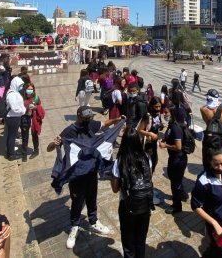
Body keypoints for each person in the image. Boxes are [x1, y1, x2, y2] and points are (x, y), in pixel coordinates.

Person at [47, 107, 123, 249]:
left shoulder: (91, 125)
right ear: (78, 117)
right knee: (77, 200)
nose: (88, 121)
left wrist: (118, 120)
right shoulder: (69, 130)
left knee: (92, 197)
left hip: (91, 171)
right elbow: (49, 148)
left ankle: (93, 221)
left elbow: (105, 123)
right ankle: (74, 226)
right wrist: (55, 143)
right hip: (76, 174)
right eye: (86, 118)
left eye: (90, 118)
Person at [111, 127, 153, 258]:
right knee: (140, 241)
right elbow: (149, 178)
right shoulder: (146, 157)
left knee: (128, 243)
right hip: (145, 204)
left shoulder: (120, 161)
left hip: (127, 206)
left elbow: (115, 189)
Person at [191, 149, 222, 258]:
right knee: (219, 250)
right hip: (215, 226)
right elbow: (195, 205)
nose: (220, 168)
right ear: (210, 163)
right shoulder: (203, 181)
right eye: (216, 164)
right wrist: (215, 224)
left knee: (215, 249)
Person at [160, 105, 189, 214]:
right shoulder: (171, 125)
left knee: (175, 183)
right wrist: (164, 139)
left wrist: (165, 145)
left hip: (178, 159)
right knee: (175, 179)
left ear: (172, 114)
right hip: (174, 158)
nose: (164, 114)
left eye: (166, 112)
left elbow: (178, 147)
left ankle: (177, 206)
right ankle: (182, 195)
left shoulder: (176, 128)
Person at [138, 97, 165, 205]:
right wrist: (149, 134)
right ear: (151, 106)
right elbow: (139, 130)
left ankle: (148, 187)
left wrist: (161, 127)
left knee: (153, 165)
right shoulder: (147, 116)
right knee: (147, 167)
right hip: (146, 146)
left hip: (153, 145)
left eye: (159, 106)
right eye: (156, 107)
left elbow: (158, 127)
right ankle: (147, 193)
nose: (158, 108)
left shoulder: (157, 115)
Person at [20, 82, 45, 160]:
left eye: (31, 89)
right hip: (24, 118)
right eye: (28, 89)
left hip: (34, 119)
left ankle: (36, 150)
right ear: (25, 90)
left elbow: (39, 106)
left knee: (34, 135)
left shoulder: (36, 97)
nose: (30, 91)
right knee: (25, 136)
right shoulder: (22, 98)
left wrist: (35, 107)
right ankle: (24, 153)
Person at [4, 76, 26, 160]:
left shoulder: (13, 92)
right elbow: (15, 108)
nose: (21, 87)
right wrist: (23, 111)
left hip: (14, 117)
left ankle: (10, 152)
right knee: (12, 136)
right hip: (13, 117)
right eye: (19, 85)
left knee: (11, 135)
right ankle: (11, 154)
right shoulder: (12, 94)